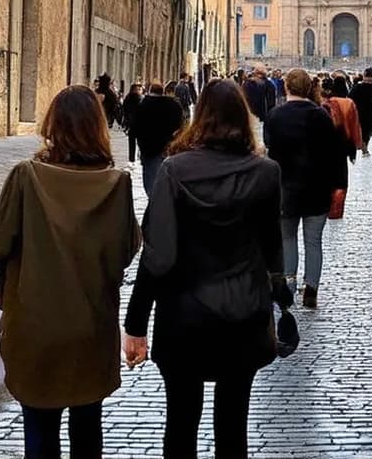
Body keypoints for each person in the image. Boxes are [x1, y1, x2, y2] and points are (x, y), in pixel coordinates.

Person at [0, 85, 141, 459]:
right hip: (92, 324)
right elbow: (128, 250)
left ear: (52, 124)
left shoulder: (27, 177)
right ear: (98, 126)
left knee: (40, 430)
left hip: (35, 324)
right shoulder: (117, 183)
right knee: (88, 424)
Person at [123, 79, 290, 459]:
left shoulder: (173, 171)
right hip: (243, 313)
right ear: (244, 119)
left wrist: (135, 324)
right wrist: (280, 298)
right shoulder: (266, 173)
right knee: (234, 427)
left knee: (180, 424)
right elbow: (271, 250)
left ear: (199, 117)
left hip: (183, 315)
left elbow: (157, 254)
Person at [264, 69, 347, 309]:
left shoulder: (275, 115)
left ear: (286, 87)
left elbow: (271, 149)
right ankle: (311, 288)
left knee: (287, 237)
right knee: (314, 241)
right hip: (317, 187)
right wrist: (338, 185)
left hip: (285, 188)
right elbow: (334, 153)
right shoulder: (321, 116)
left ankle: (289, 284)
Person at [131, 81, 185, 195]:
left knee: (150, 181)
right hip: (168, 148)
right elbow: (180, 126)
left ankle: (153, 202)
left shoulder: (142, 105)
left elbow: (135, 129)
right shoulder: (174, 105)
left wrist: (133, 153)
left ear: (150, 91)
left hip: (148, 149)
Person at [350, 68, 372, 156]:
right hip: (370, 113)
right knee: (367, 131)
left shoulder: (357, 87)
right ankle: (364, 146)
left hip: (358, 112)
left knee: (360, 129)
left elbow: (350, 98)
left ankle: (362, 145)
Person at [120, 83, 144, 163]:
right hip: (139, 123)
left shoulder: (127, 98)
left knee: (131, 141)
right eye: (138, 89)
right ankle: (140, 155)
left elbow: (124, 109)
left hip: (131, 123)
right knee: (140, 141)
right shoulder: (140, 99)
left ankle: (131, 157)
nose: (139, 91)